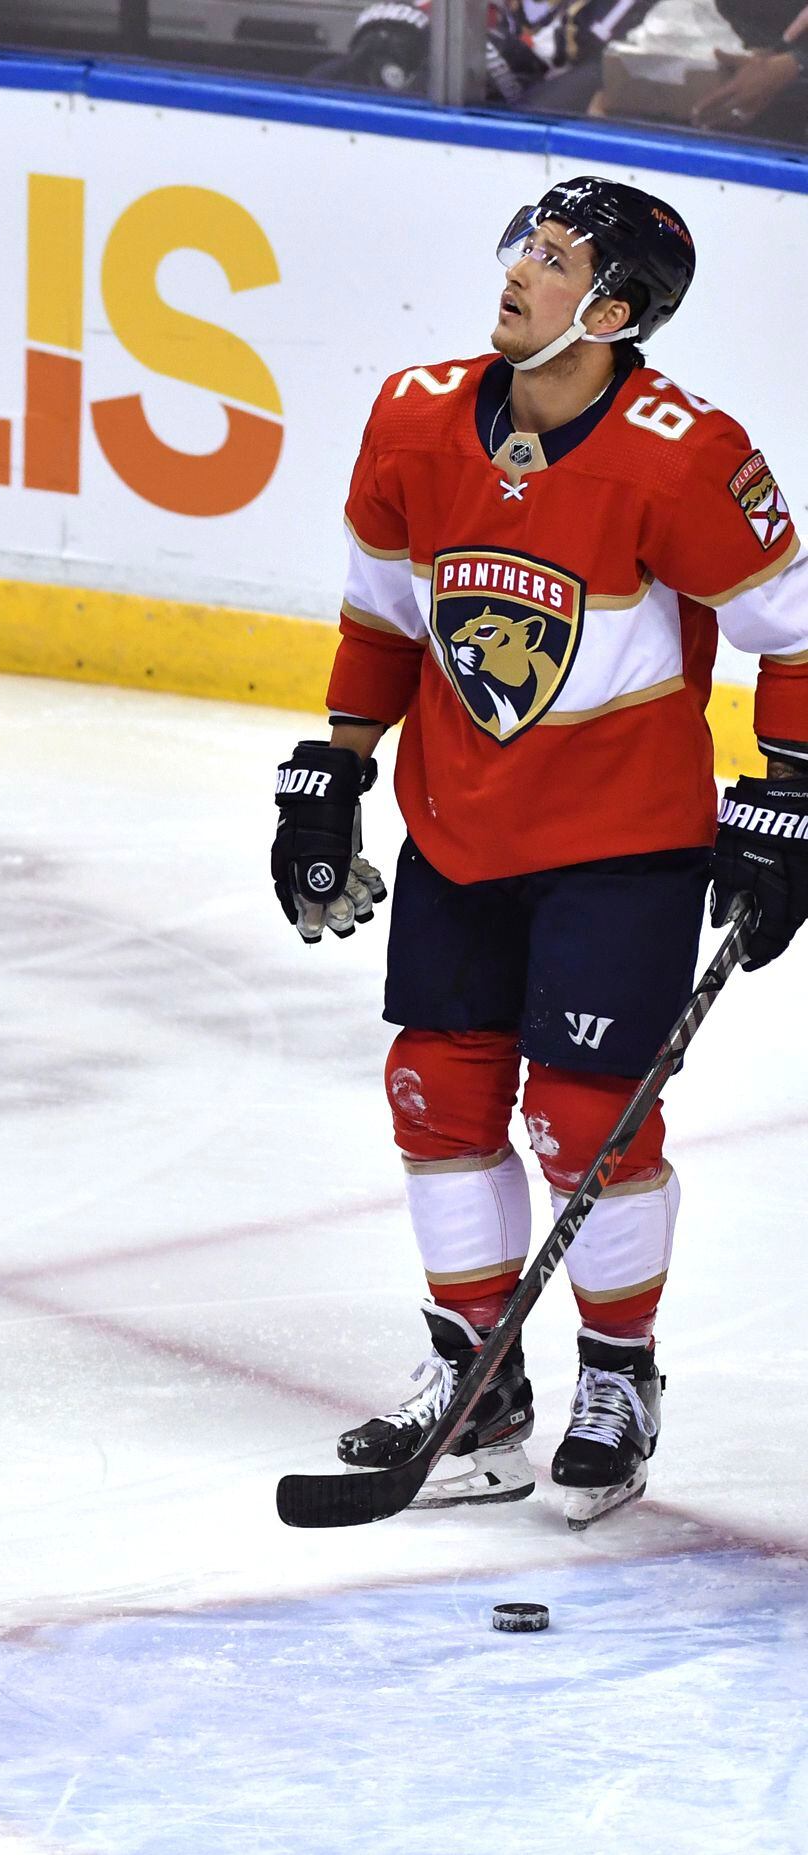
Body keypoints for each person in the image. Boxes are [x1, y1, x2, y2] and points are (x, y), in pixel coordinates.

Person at [273, 177, 808, 1528]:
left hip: (622, 843)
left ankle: (619, 1380)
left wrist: (789, 794)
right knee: (435, 1098)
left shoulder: (685, 455)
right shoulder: (413, 414)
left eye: (554, 258)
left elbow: (794, 632)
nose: (517, 268)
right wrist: (336, 772)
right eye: (522, 242)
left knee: (585, 1120)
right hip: (459, 827)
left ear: (614, 310)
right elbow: (383, 615)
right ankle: (480, 1382)